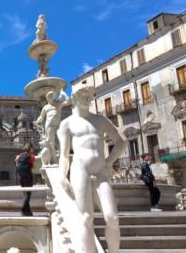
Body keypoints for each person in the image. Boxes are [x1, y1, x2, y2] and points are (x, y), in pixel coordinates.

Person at [57, 86, 127, 253]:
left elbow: (121, 141)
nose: (89, 99)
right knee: (86, 218)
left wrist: (109, 162)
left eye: (90, 96)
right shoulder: (66, 124)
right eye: (85, 96)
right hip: (80, 170)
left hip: (101, 171)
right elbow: (64, 155)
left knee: (112, 218)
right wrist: (62, 177)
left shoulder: (100, 120)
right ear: (74, 98)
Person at [15, 143, 35, 216]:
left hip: (21, 177)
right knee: (28, 194)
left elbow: (16, 161)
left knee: (25, 194)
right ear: (31, 148)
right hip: (28, 177)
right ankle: (23, 210)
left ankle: (28, 212)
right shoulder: (31, 156)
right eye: (33, 148)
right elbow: (33, 168)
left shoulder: (20, 155)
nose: (34, 149)